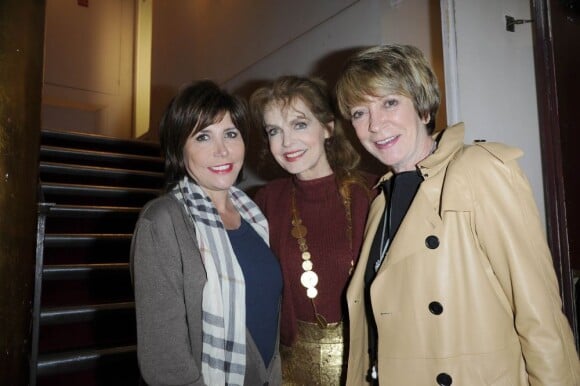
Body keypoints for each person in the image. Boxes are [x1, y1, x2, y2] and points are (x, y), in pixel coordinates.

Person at [335, 44, 580, 386]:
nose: (375, 124)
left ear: (422, 108)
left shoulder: (479, 170)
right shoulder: (380, 201)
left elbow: (540, 315)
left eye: (389, 102)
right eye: (360, 113)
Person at [130, 80, 282, 386]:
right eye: (202, 137)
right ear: (178, 149)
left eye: (230, 134)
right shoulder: (162, 222)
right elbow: (165, 362)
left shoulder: (254, 215)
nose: (222, 150)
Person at [249, 75, 375, 385]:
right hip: (293, 368)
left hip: (365, 360)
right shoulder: (266, 200)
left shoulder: (371, 192)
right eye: (274, 131)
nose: (286, 142)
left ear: (328, 127)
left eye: (299, 124)